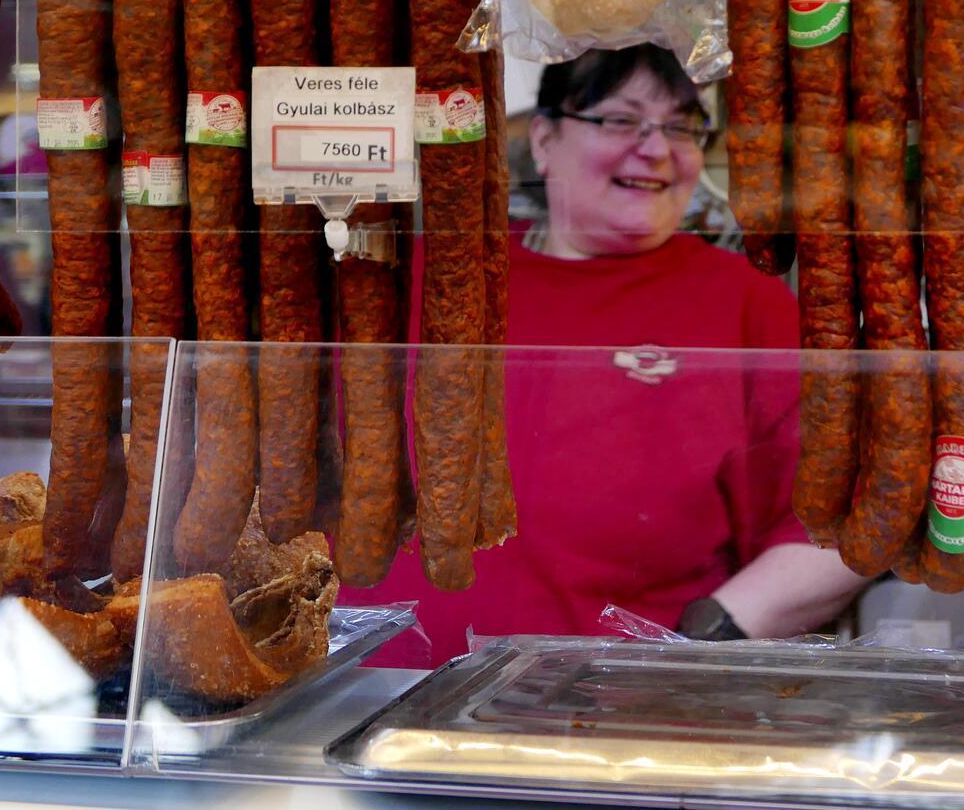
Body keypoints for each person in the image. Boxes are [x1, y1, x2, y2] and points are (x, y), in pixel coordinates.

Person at [346, 44, 867, 665]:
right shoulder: (433, 278)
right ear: (544, 140)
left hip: (617, 705)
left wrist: (697, 646)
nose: (657, 148)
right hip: (367, 692)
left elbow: (842, 526)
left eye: (682, 126)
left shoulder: (747, 304)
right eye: (622, 120)